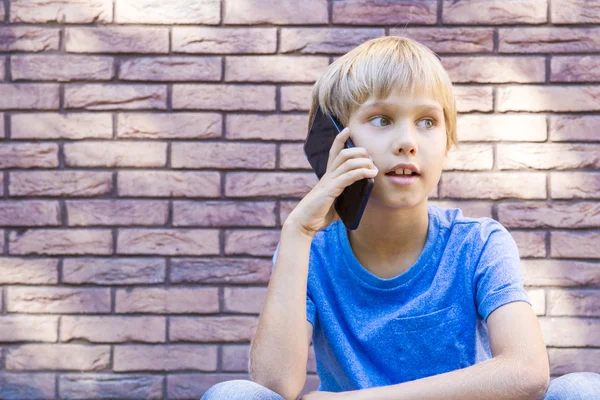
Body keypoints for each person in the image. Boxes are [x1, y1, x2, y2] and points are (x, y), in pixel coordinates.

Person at [202, 36, 600, 400]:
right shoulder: (311, 252)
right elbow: (274, 386)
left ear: (447, 143)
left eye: (427, 122)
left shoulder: (478, 243)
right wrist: (297, 231)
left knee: (583, 390)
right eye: (382, 120)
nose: (408, 142)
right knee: (234, 395)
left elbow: (527, 371)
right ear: (334, 141)